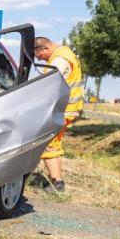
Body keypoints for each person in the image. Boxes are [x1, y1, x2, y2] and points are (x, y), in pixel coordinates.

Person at [34, 37, 85, 192]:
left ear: (45, 48)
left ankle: (57, 184)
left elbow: (49, 84)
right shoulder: (67, 53)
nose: (39, 58)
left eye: (39, 55)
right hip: (67, 108)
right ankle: (55, 181)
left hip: (62, 108)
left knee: (47, 144)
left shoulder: (59, 61)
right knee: (54, 143)